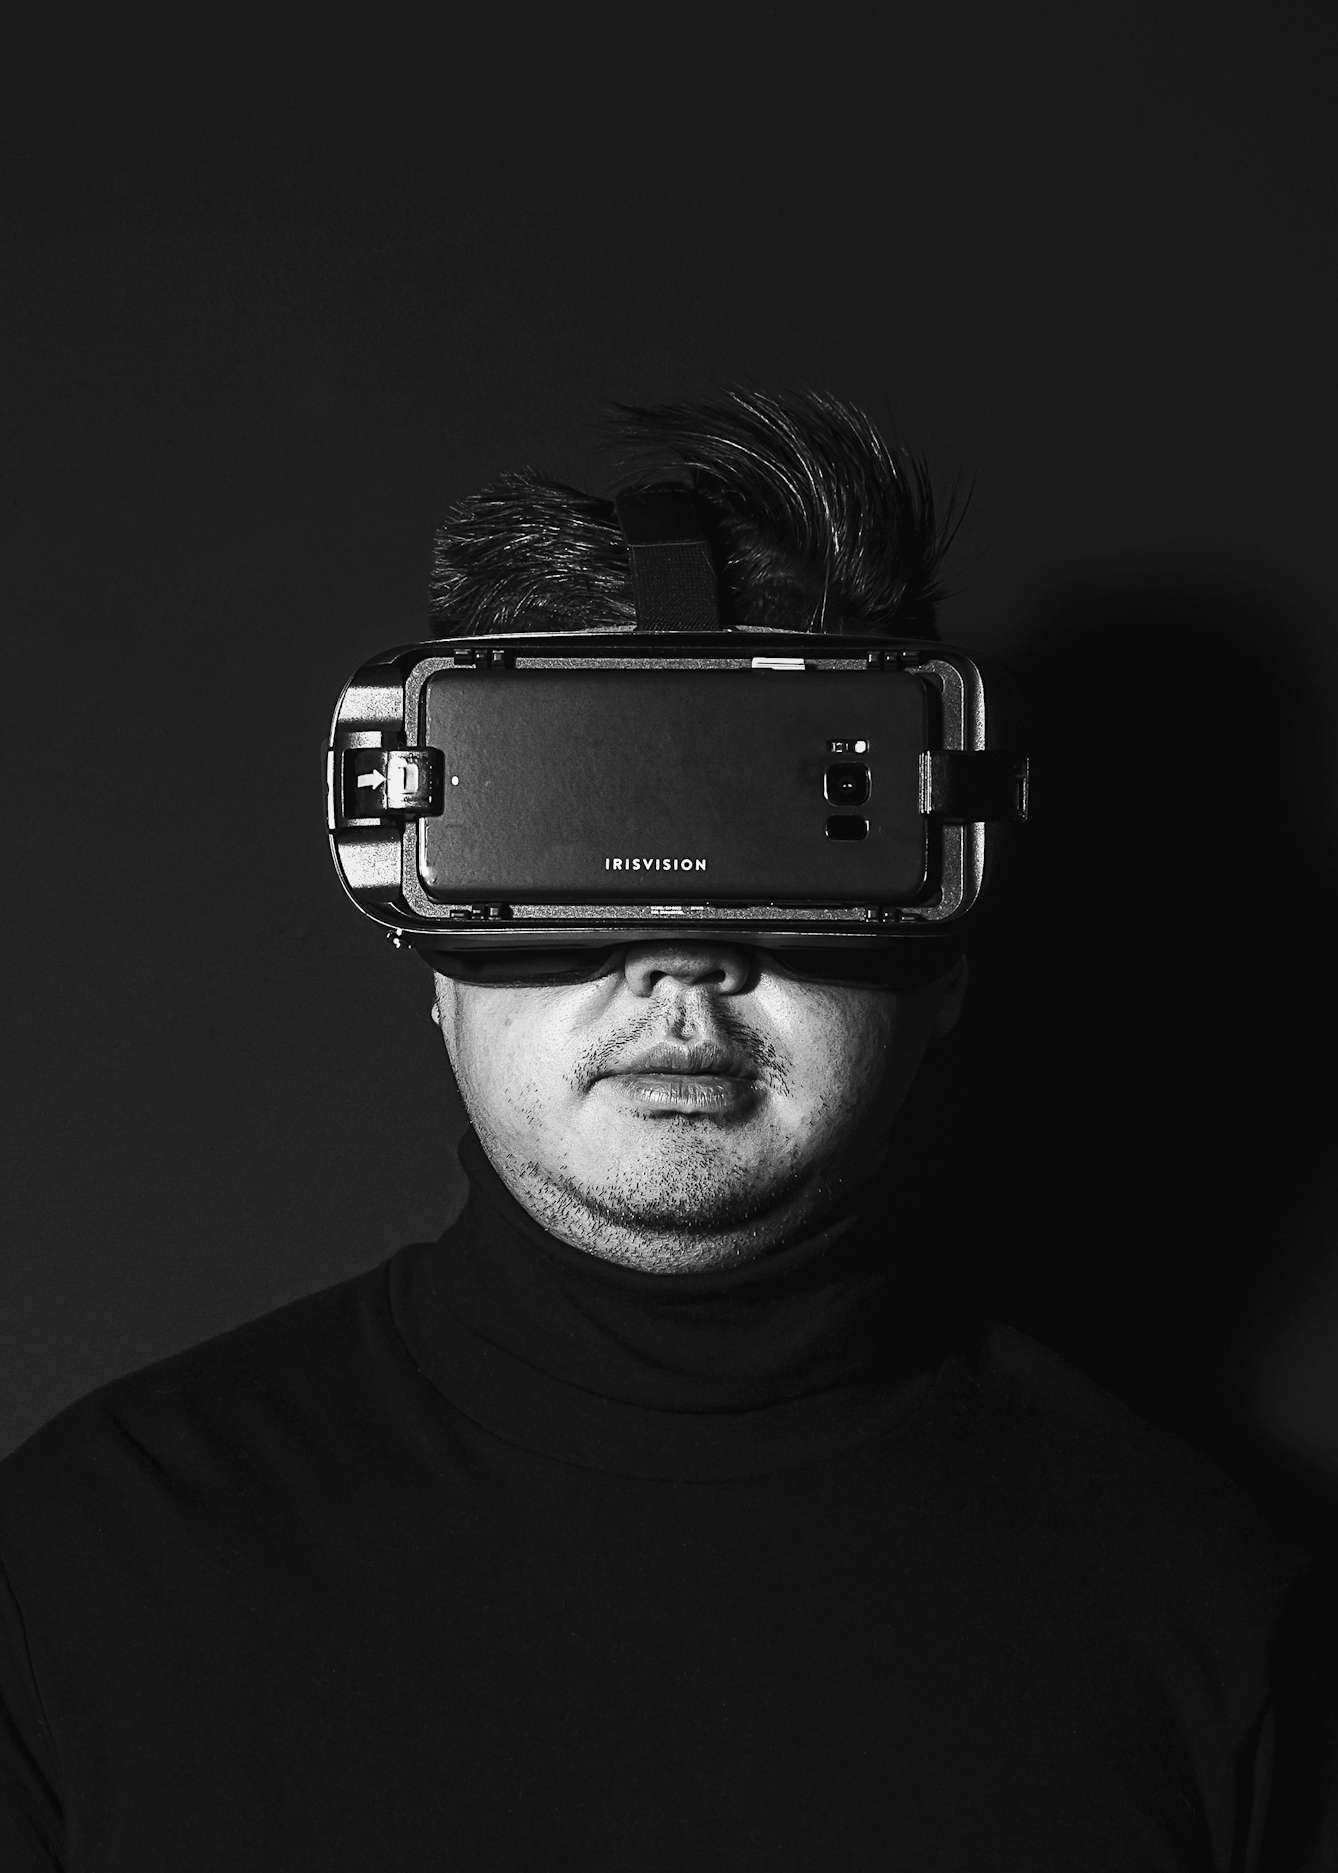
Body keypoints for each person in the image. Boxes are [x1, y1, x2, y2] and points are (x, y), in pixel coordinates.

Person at [0, 392, 1332, 1870]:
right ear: (431, 941)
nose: (676, 950)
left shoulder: (1214, 1609)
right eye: (580, 829)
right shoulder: (79, 1575)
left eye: (795, 830)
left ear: (947, 951)